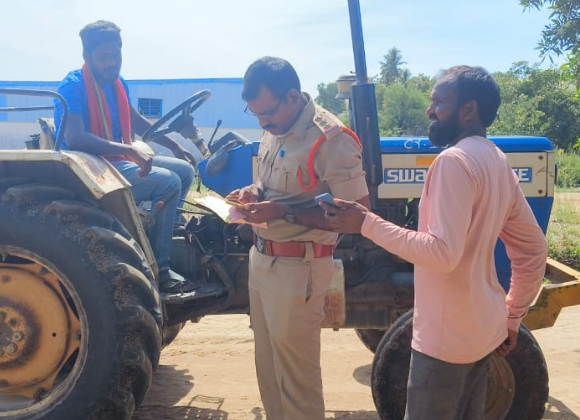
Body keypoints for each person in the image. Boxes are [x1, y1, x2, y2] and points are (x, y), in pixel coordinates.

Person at [319, 65, 547, 420]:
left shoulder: (453, 162)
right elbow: (533, 250)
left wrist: (366, 223)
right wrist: (512, 317)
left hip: (444, 345)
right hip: (483, 333)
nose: (430, 110)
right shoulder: (497, 161)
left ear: (468, 109)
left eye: (438, 102)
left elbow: (442, 254)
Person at [226, 56, 369, 420]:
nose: (262, 123)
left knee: (297, 381)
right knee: (270, 370)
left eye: (266, 113)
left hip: (298, 268)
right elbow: (269, 184)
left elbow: (357, 216)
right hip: (263, 261)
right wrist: (253, 194)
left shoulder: (330, 139)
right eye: (255, 116)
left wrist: (283, 213)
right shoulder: (274, 128)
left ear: (292, 96)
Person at [53, 20, 197, 293]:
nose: (111, 62)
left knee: (185, 171)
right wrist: (129, 149)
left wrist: (174, 145)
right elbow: (75, 137)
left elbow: (138, 122)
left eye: (116, 55)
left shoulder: (117, 84)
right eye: (103, 57)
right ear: (87, 57)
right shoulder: (73, 86)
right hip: (88, 165)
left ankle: (169, 238)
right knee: (168, 183)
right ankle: (161, 271)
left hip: (115, 158)